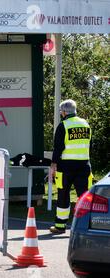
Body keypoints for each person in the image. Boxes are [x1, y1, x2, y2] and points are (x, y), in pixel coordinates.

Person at [49, 99, 92, 235]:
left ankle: (60, 226)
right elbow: (90, 145)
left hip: (66, 166)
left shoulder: (63, 126)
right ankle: (86, 226)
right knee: (84, 196)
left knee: (63, 194)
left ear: (63, 112)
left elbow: (58, 148)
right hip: (84, 165)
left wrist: (53, 166)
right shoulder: (85, 124)